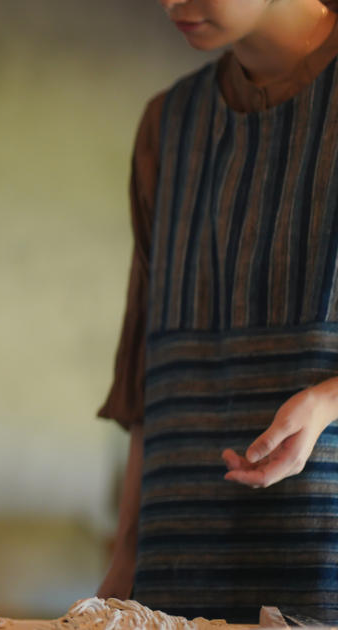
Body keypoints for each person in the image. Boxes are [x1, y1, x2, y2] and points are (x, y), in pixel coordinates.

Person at [96, 0, 338, 622]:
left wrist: (326, 401)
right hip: (176, 567)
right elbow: (147, 364)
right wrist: (126, 556)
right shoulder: (167, 125)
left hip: (321, 566)